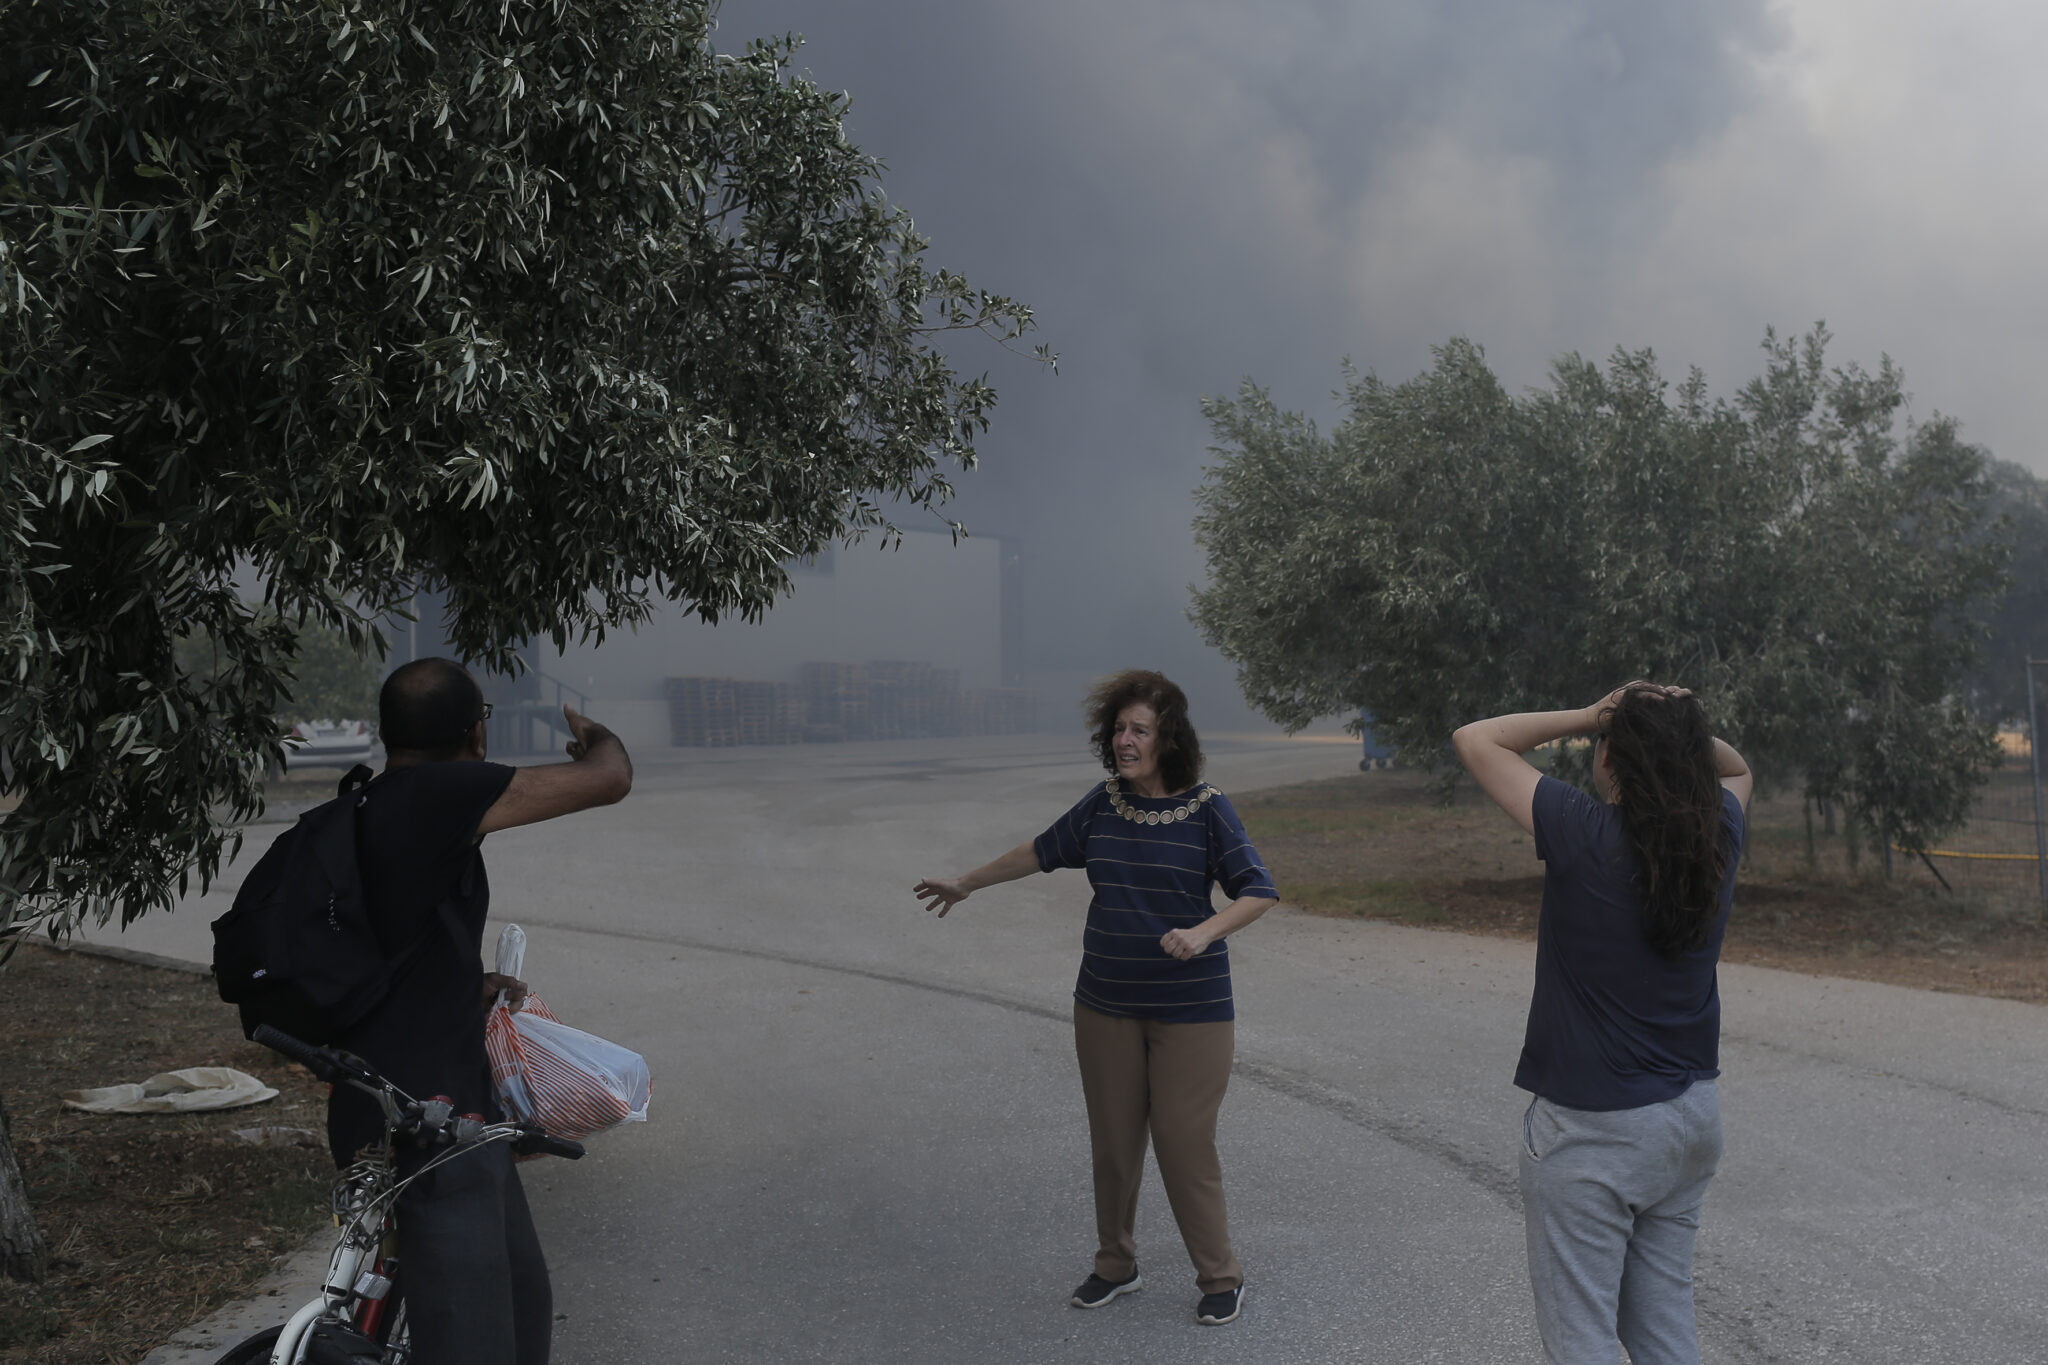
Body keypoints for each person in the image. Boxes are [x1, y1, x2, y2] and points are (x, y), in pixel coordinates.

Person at [914, 669, 1279, 1327]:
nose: (1124, 740)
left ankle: (1221, 1275)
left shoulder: (1207, 808)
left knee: (1182, 1141)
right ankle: (1115, 1265)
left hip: (1192, 1009)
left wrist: (1204, 932)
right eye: (1118, 728)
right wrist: (967, 882)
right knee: (1113, 1143)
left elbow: (1258, 889)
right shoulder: (1104, 804)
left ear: (1169, 739)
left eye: (1139, 729)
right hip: (1105, 1002)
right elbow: (1040, 850)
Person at [327, 657, 633, 1365]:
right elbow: (610, 777)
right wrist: (594, 734)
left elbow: (394, 942)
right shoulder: (440, 794)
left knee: (521, 1300)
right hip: (429, 1116)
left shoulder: (371, 806)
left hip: (400, 1093)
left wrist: (468, 984)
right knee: (479, 1339)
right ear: (477, 733)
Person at [1453, 682, 1752, 1365]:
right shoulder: (1719, 837)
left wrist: (1595, 713)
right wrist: (1673, 726)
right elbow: (1735, 767)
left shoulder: (1582, 831)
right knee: (1664, 1323)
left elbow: (1475, 738)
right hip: (1691, 1119)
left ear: (1611, 756)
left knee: (1581, 1336)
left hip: (1596, 1131)